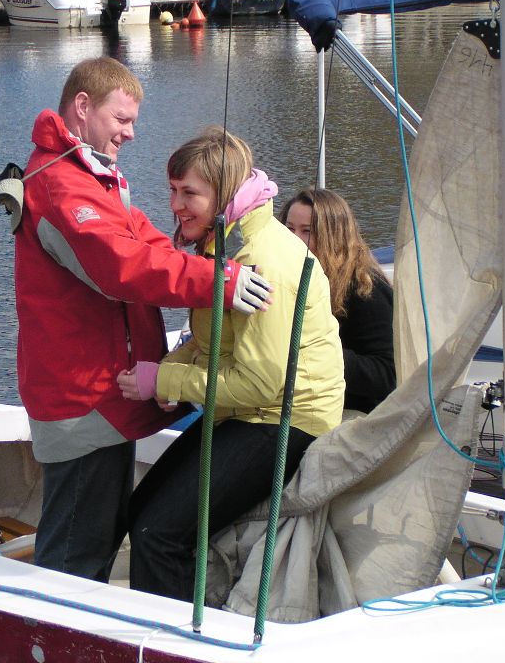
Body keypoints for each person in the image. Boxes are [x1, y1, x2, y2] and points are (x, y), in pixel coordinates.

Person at [14, 58, 273, 583]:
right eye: (122, 119)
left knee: (96, 537)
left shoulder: (89, 174)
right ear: (83, 107)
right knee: (74, 560)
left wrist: (207, 266)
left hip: (102, 397)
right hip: (83, 404)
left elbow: (144, 240)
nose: (130, 133)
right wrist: (218, 282)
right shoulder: (63, 185)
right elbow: (120, 267)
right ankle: (52, 626)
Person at [117, 127, 344, 601]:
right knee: (139, 514)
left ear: (223, 194)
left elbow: (262, 384)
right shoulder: (225, 242)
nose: (176, 205)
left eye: (190, 194)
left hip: (286, 419)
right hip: (244, 413)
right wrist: (169, 370)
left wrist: (166, 379)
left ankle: (172, 636)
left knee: (159, 534)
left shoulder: (261, 262)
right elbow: (213, 342)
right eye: (173, 191)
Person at [280, 187, 395, 414]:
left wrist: (321, 352)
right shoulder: (284, 276)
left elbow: (387, 375)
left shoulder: (365, 289)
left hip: (355, 411)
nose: (294, 239)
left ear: (333, 236)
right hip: (300, 399)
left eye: (307, 231)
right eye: (289, 228)